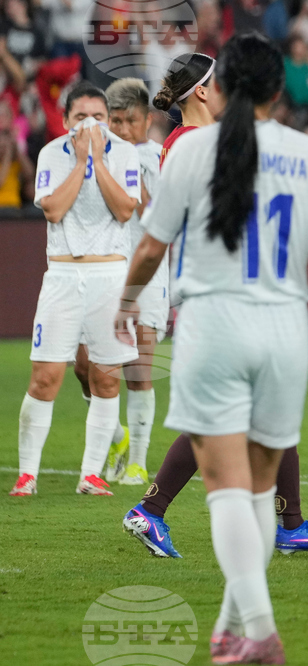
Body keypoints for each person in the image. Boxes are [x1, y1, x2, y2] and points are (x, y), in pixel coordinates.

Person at [114, 32, 308, 663]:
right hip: (283, 329)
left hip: (212, 325)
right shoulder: (307, 151)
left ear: (223, 88)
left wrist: (123, 304)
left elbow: (149, 246)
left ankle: (257, 626)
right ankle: (234, 629)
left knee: (226, 489)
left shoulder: (189, 151)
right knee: (259, 493)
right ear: (280, 90)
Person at [121, 52, 308, 560]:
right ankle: (158, 511)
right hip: (218, 296)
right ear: (203, 90)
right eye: (219, 78)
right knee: (246, 414)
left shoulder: (193, 142)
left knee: (260, 409)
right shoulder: (194, 144)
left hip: (223, 294)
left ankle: (284, 521)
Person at [9, 82, 140, 497]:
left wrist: (97, 163)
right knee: (45, 376)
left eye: (98, 117)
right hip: (63, 276)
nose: (90, 124)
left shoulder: (124, 153)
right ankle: (27, 473)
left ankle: (91, 475)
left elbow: (124, 210)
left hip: (110, 277)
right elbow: (53, 208)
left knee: (106, 379)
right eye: (81, 116)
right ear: (66, 120)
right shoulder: (51, 153)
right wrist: (81, 162)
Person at [67, 78, 164, 488]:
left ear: (147, 120)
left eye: (131, 121)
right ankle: (117, 437)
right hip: (101, 269)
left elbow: (165, 214)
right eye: (117, 120)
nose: (122, 129)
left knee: (139, 369)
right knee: (84, 366)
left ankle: (138, 461)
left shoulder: (160, 156)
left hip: (147, 273)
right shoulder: (92, 156)